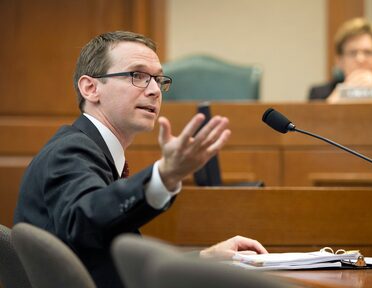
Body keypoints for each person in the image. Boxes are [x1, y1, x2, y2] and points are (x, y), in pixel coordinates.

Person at [14, 31, 267, 288]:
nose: (155, 91)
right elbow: (86, 221)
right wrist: (165, 175)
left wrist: (206, 258)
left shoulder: (91, 149)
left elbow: (106, 261)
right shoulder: (70, 151)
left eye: (158, 79)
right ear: (91, 88)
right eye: (138, 76)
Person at [308, 17, 372, 102]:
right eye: (352, 53)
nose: (360, 59)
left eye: (368, 52)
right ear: (339, 61)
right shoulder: (319, 95)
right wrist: (334, 101)